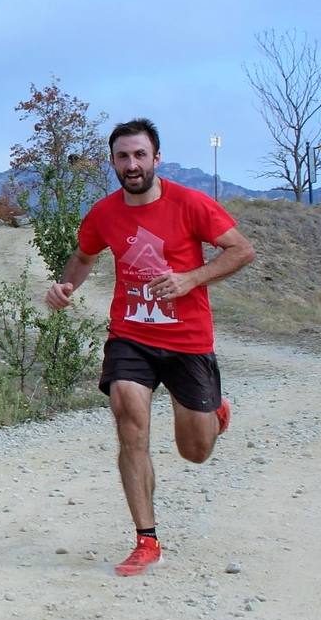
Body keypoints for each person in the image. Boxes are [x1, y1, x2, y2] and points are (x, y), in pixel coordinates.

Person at [44, 118, 254, 577]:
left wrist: (190, 278)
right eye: (123, 156)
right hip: (131, 335)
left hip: (187, 339)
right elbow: (83, 256)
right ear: (113, 162)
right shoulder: (104, 213)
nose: (132, 164)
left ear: (156, 158)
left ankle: (214, 413)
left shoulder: (191, 204)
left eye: (140, 155)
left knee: (194, 451)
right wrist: (64, 287)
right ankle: (146, 538)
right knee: (127, 414)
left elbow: (241, 250)